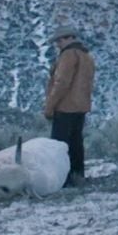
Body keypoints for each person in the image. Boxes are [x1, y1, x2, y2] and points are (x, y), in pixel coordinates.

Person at [42, 26, 95, 187]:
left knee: (59, 146)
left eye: (60, 40)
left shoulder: (68, 55)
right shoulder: (86, 56)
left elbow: (62, 83)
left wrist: (49, 106)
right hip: (81, 106)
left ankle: (62, 180)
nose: (58, 44)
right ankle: (77, 176)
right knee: (76, 144)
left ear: (70, 38)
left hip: (65, 106)